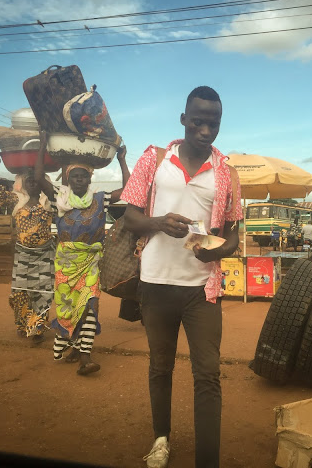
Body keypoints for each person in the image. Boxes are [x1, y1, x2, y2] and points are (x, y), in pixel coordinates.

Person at [121, 86, 242, 468]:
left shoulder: (227, 173)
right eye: (199, 121)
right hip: (155, 283)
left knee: (208, 374)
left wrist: (217, 250)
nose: (206, 130)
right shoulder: (154, 159)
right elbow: (130, 215)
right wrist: (159, 222)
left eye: (214, 123)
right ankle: (161, 439)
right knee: (161, 366)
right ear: (184, 119)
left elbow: (236, 235)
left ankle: (208, 459)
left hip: (201, 290)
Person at [35, 132, 130, 376]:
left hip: (90, 263)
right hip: (66, 265)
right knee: (68, 307)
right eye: (74, 176)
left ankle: (85, 357)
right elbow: (38, 177)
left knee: (90, 304)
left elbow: (130, 190)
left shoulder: (101, 199)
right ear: (68, 179)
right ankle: (77, 348)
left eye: (83, 176)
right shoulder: (60, 198)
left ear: (90, 178)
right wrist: (43, 143)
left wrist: (121, 160)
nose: (79, 179)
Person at [0, 153, 55, 343]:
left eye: (36, 179)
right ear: (22, 183)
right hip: (22, 255)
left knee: (42, 293)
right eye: (29, 180)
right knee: (19, 293)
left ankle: (37, 328)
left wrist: (42, 147)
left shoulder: (49, 200)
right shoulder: (16, 200)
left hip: (45, 255)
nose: (33, 182)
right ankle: (22, 323)